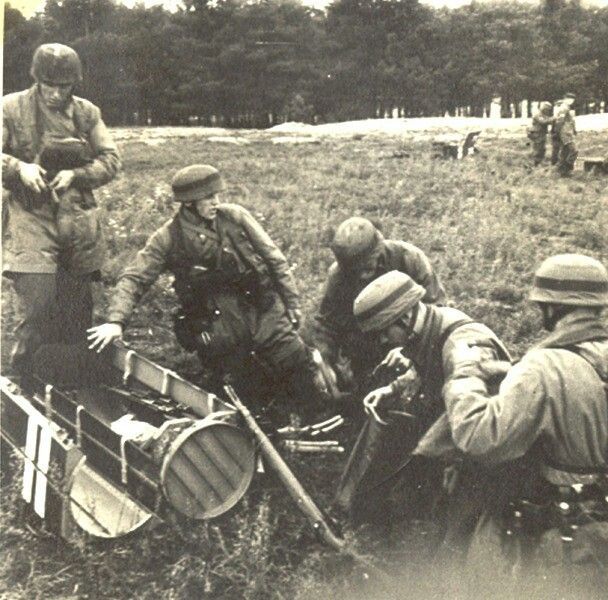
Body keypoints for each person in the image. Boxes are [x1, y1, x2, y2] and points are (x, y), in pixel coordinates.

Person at [87, 164, 323, 412]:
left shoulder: (235, 217)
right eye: (208, 197)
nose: (215, 202)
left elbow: (275, 259)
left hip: (261, 306)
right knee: (247, 387)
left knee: (295, 361)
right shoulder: (168, 237)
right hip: (219, 324)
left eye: (216, 195)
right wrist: (116, 321)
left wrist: (292, 303)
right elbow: (134, 277)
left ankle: (318, 415)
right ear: (189, 203)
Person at [443, 254, 608, 596]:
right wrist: (512, 372)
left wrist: (465, 375)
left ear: (550, 307)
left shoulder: (542, 367)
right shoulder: (594, 355)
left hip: (560, 539)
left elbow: (480, 436)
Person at [336, 270, 510, 537]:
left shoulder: (462, 345)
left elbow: (478, 414)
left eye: (383, 333)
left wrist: (438, 453)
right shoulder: (426, 326)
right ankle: (356, 507)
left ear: (405, 318)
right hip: (456, 412)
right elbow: (428, 367)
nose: (382, 342)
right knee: (390, 420)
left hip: (484, 435)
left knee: (449, 527)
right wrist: (393, 388)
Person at [2, 43, 121, 386]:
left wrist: (78, 175)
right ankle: (22, 381)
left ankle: (66, 385)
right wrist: (19, 168)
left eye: (64, 86)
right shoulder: (10, 108)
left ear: (74, 84)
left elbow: (111, 159)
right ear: (36, 80)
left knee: (77, 312)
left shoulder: (87, 114)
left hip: (76, 219)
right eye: (48, 85)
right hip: (30, 215)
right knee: (39, 305)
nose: (55, 93)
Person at [313, 217, 446, 394]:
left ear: (379, 250)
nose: (361, 276)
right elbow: (326, 326)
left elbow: (437, 309)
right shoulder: (337, 277)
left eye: (367, 267)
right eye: (354, 271)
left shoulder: (408, 258)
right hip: (366, 349)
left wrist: (411, 352)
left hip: (411, 341)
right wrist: (323, 361)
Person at [553, 92, 578, 177]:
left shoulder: (567, 107)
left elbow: (571, 121)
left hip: (567, 132)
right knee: (574, 151)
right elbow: (560, 121)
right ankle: (567, 169)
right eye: (569, 99)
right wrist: (557, 132)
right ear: (565, 99)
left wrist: (574, 130)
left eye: (572, 99)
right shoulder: (564, 108)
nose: (571, 101)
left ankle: (560, 170)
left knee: (564, 152)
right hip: (565, 133)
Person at [527, 102, 554, 166]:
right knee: (538, 149)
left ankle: (538, 162)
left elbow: (547, 120)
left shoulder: (543, 115)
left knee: (542, 148)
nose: (548, 111)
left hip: (541, 133)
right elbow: (543, 122)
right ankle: (535, 163)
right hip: (537, 134)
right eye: (547, 109)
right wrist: (553, 118)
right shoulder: (538, 114)